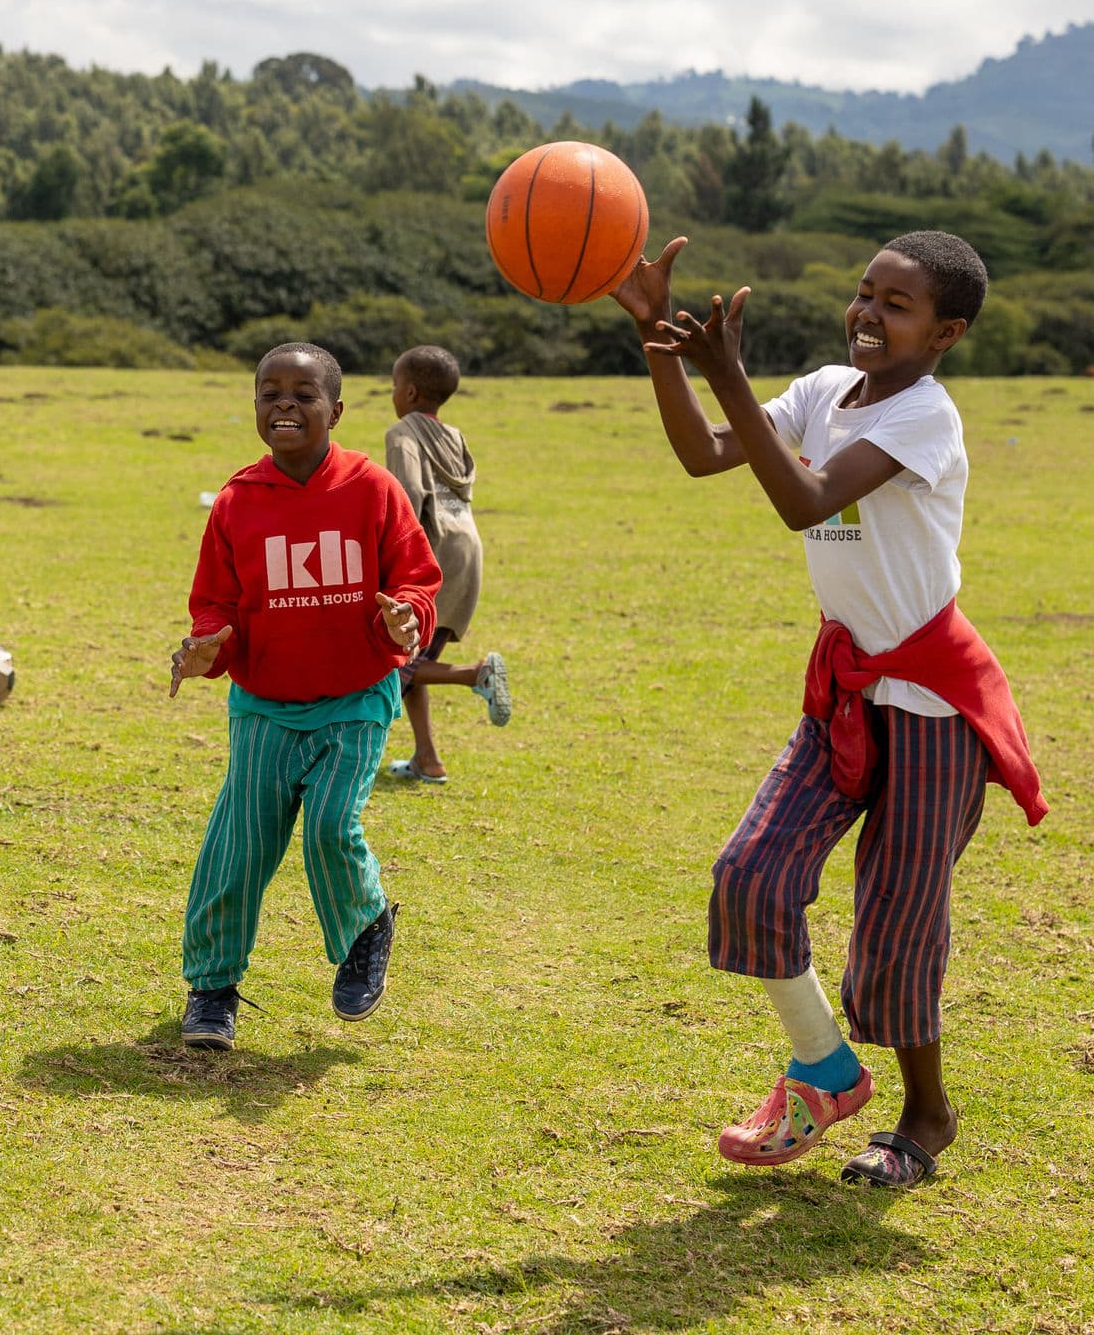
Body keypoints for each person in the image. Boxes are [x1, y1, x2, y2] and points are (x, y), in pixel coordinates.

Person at [613, 229, 1046, 1191]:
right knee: (750, 875)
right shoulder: (820, 392)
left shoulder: (927, 418)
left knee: (897, 924)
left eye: (897, 304)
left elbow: (806, 501)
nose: (868, 313)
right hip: (844, 689)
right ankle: (823, 1070)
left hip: (931, 704)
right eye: (865, 292)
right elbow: (704, 455)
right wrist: (661, 346)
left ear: (946, 333)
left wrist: (727, 371)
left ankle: (926, 1116)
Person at [167, 342, 442, 1052]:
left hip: (355, 698)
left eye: (303, 393)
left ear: (337, 410)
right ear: (255, 406)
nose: (284, 404)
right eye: (270, 393)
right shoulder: (236, 501)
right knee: (239, 849)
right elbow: (215, 608)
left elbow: (417, 578)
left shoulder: (372, 488)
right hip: (263, 705)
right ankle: (212, 990)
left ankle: (364, 927)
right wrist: (205, 648)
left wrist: (408, 614)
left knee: (329, 826)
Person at [379, 344, 511, 783]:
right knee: (415, 652)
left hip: (430, 551)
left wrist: (394, 554)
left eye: (395, 385)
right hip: (467, 546)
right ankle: (427, 759)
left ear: (411, 392)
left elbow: (409, 494)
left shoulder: (401, 432)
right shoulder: (454, 435)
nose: (393, 393)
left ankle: (477, 673)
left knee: (395, 663)